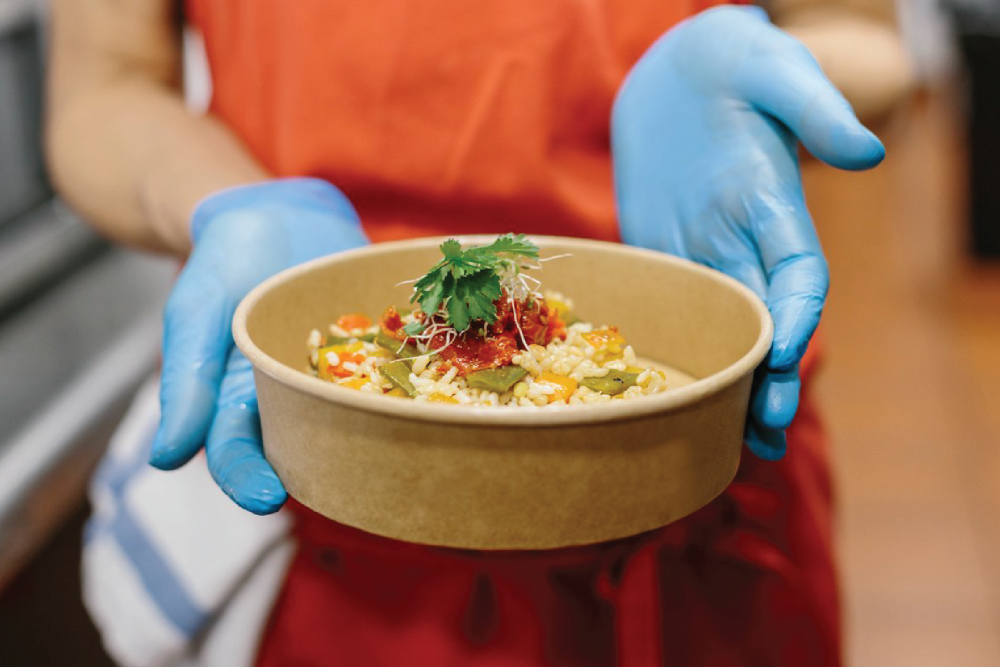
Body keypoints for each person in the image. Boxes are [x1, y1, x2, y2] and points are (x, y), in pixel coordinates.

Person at [46, 1, 911, 666]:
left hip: (699, 472)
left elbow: (867, 34)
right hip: (344, 491)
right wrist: (231, 203)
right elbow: (105, 86)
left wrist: (754, 59)